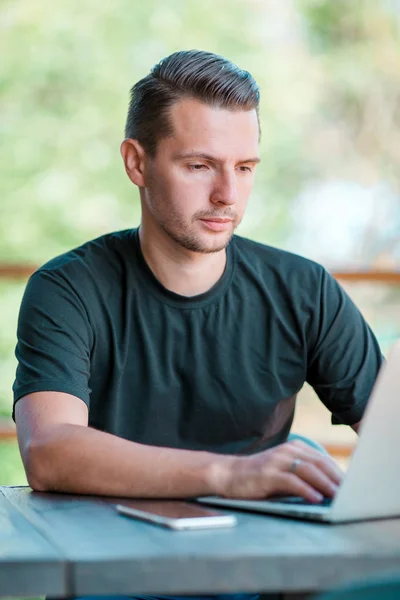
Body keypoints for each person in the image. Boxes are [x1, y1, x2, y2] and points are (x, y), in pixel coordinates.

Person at [13, 49, 382, 600]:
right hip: (110, 574)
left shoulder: (304, 290)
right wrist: (234, 474)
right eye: (200, 165)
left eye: (245, 168)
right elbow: (50, 451)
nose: (227, 195)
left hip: (258, 576)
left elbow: (391, 439)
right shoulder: (68, 288)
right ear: (137, 163)